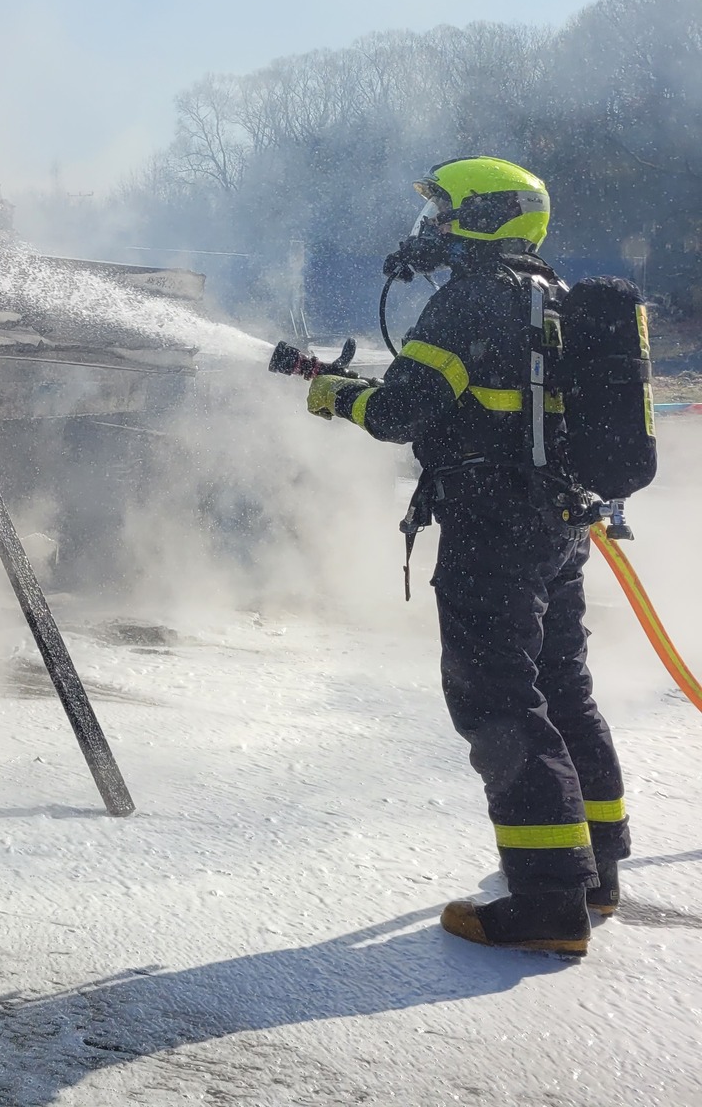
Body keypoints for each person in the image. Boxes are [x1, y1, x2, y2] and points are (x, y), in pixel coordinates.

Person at [306, 157, 627, 957]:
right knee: (563, 689)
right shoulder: (554, 296)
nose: (432, 230)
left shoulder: (470, 299)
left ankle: (549, 904)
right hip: (558, 525)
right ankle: (597, 873)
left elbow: (401, 412)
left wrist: (335, 395)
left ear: (486, 216)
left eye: (445, 214)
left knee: (499, 703)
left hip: (491, 528)